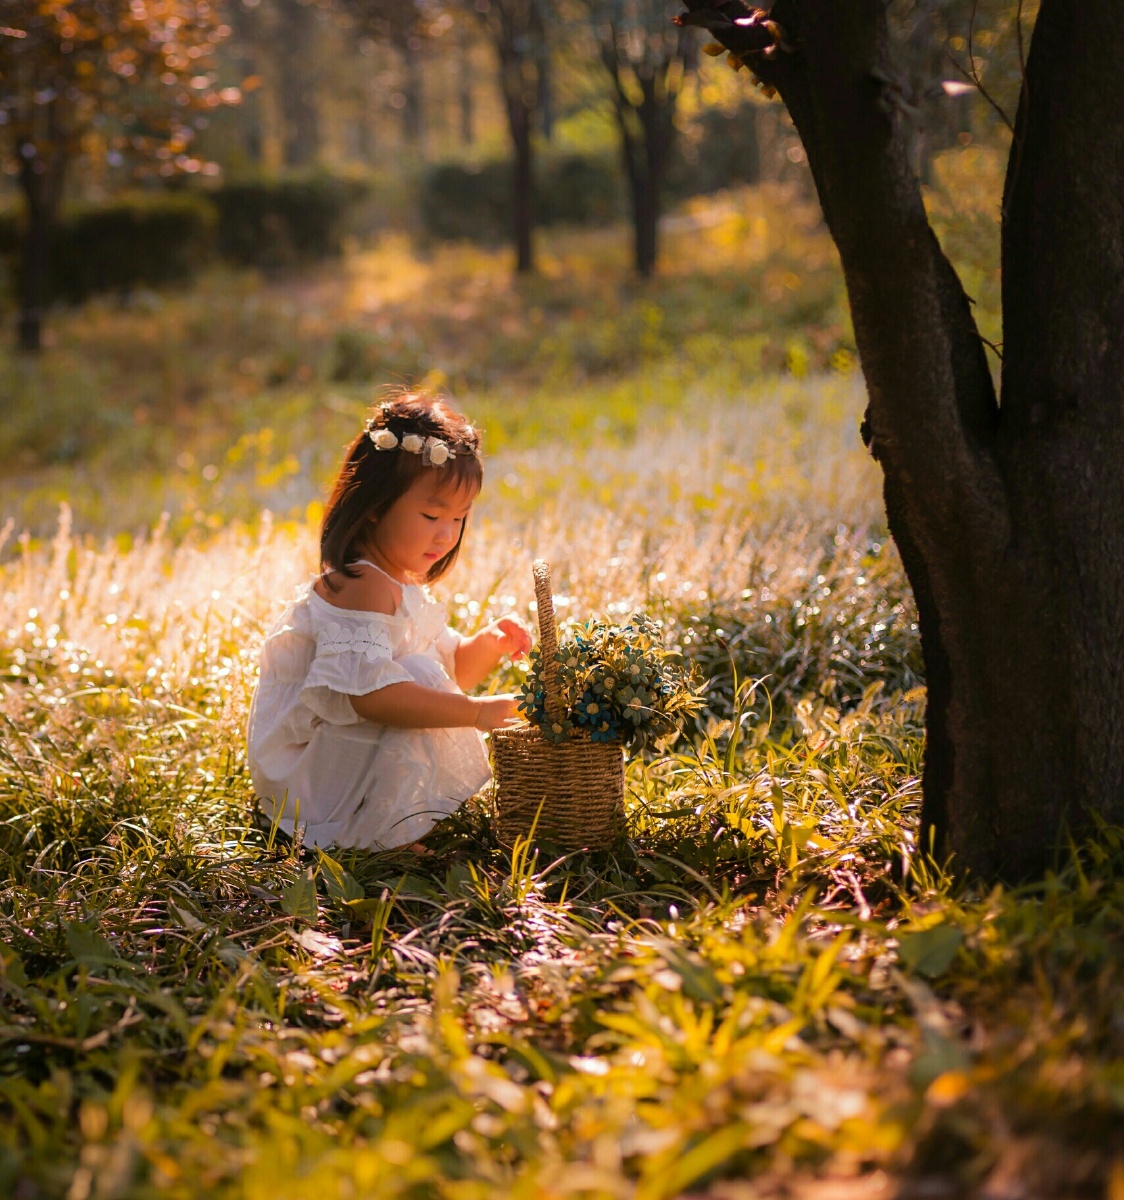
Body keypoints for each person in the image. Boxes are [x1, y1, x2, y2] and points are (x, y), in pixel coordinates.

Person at [247, 391, 530, 851]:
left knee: (421, 674)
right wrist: (476, 713)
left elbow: (450, 674)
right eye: (431, 515)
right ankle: (374, 834)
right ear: (376, 505)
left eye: (459, 518)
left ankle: (389, 820)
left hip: (338, 756)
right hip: (306, 784)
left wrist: (489, 643)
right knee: (412, 677)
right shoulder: (361, 586)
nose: (447, 534)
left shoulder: (401, 584)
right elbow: (372, 697)